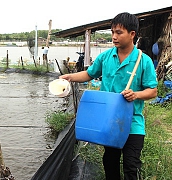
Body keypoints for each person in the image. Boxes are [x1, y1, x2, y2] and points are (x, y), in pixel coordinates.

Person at [60, 12, 158, 180]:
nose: (114, 37)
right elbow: (89, 74)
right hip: (110, 121)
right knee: (110, 161)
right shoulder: (106, 57)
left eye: (119, 33)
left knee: (131, 165)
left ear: (132, 34)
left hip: (133, 122)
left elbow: (152, 91)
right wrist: (69, 77)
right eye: (112, 32)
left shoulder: (144, 61)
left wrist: (136, 94)